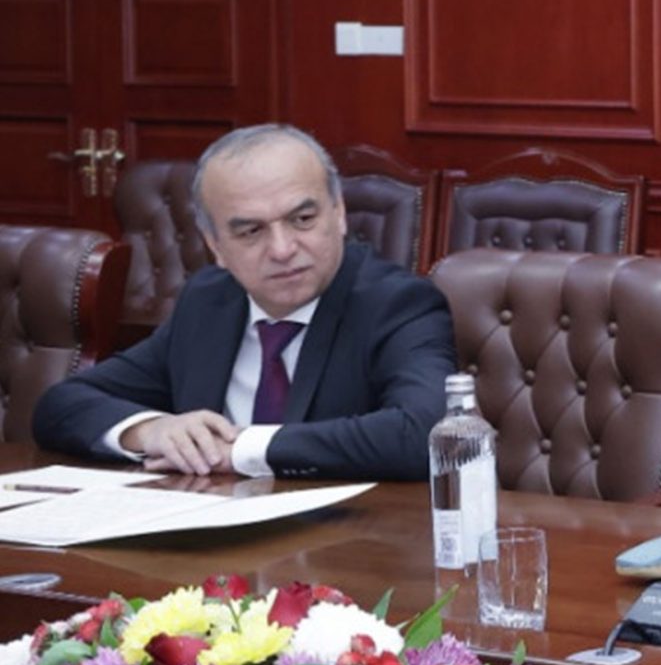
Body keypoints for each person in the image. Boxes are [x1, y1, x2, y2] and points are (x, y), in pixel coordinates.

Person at [33, 124, 456, 482]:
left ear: (339, 213)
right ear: (215, 245)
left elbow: (430, 433)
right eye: (251, 231)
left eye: (302, 219)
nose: (283, 249)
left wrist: (242, 449)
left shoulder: (396, 304)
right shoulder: (209, 302)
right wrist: (151, 431)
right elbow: (62, 405)